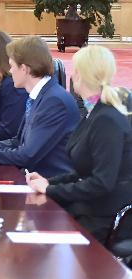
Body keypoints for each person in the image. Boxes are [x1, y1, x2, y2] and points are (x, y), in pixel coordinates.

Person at [26, 46, 132, 243]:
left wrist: (50, 190)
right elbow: (85, 171)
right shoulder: (95, 111)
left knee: (42, 231)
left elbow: (102, 182)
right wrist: (51, 182)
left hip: (105, 215)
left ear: (80, 75)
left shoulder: (106, 118)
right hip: (91, 206)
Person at [0, 36, 80, 177]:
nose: (11, 71)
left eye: (12, 66)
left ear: (24, 69)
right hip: (31, 176)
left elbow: (26, 155)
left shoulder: (54, 101)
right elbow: (18, 141)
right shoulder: (42, 95)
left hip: (47, 183)